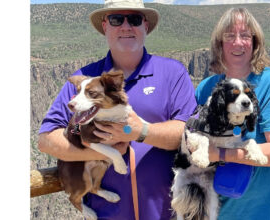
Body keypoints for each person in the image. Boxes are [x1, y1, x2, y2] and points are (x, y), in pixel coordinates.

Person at [37, 0, 197, 219]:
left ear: (145, 26)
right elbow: (46, 140)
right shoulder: (86, 80)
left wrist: (140, 131)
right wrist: (109, 154)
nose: (125, 26)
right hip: (108, 214)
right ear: (105, 26)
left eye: (133, 19)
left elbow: (189, 134)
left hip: (166, 212)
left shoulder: (172, 73)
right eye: (116, 19)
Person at [194, 8, 270, 220]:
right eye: (229, 36)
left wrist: (219, 154)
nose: (238, 42)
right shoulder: (206, 88)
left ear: (255, 42)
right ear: (219, 44)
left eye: (245, 35)